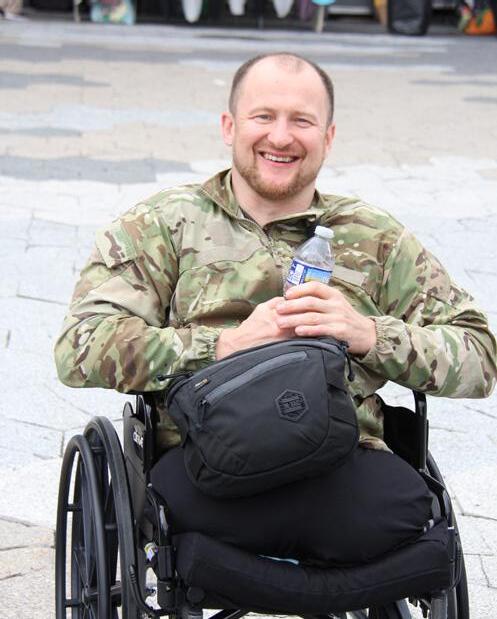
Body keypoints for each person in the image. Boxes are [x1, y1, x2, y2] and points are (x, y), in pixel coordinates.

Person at [54, 53, 497, 565]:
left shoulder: (375, 236)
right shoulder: (161, 224)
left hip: (345, 460)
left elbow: (480, 354)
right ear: (230, 126)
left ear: (328, 137)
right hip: (207, 458)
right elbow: (79, 348)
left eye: (302, 121)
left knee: (405, 514)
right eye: (263, 116)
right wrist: (224, 344)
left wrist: (370, 335)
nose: (281, 137)